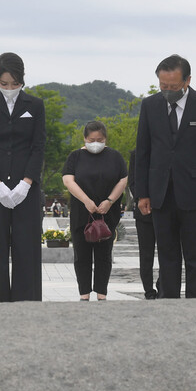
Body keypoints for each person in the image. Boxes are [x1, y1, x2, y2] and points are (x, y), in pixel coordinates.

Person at [134, 54, 196, 298]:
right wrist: (141, 193)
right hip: (160, 194)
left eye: (173, 86)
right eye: (163, 86)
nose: (168, 91)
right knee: (167, 256)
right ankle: (169, 306)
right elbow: (143, 152)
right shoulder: (150, 105)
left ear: (187, 81)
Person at [0, 52, 46, 302]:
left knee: (26, 247)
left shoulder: (35, 106)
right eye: (4, 84)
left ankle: (26, 303)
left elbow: (38, 146)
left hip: (25, 187)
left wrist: (26, 183)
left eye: (14, 84)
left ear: (22, 80)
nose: (9, 89)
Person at [62, 121, 128, 301]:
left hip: (107, 212)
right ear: (85, 139)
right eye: (92, 139)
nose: (96, 142)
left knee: (104, 255)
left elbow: (122, 180)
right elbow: (68, 181)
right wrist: (86, 201)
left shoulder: (115, 157)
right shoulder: (75, 157)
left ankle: (101, 292)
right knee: (81, 254)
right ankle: (84, 292)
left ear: (105, 139)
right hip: (82, 213)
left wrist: (109, 201)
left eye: (100, 139)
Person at [128, 149, 158, 299]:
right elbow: (132, 182)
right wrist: (142, 197)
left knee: (169, 252)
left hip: (166, 210)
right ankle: (148, 290)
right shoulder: (136, 153)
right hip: (144, 212)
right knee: (146, 254)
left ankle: (162, 284)